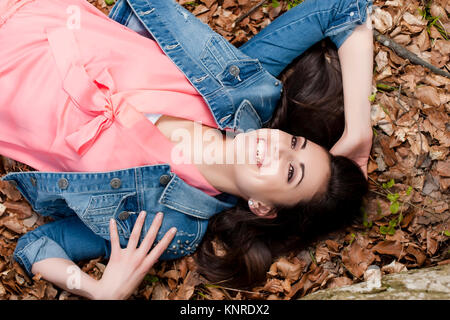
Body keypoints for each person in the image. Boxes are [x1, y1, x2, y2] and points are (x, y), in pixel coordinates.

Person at [0, 0, 373, 299]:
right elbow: (341, 7)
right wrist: (359, 130)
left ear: (263, 207)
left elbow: (38, 244)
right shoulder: (243, 91)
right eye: (294, 142)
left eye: (291, 172)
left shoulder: (167, 221)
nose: (277, 148)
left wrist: (99, 290)